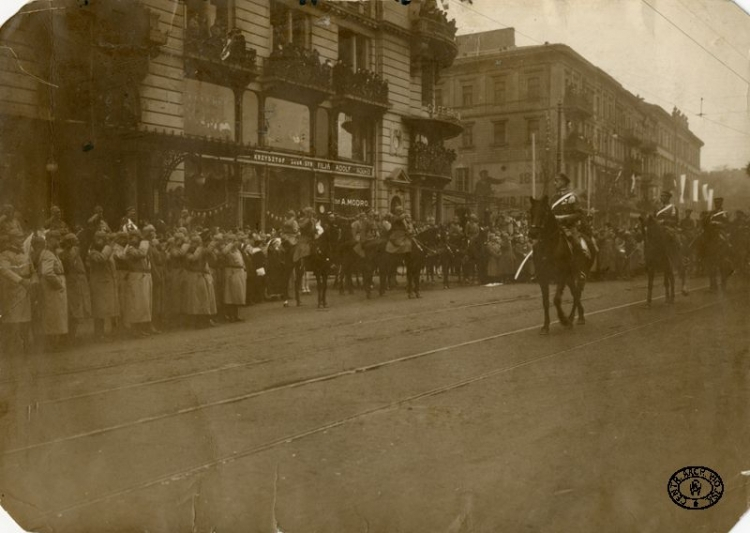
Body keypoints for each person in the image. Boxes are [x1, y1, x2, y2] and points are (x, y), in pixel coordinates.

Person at [550, 173, 593, 278]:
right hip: (555, 228)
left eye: (558, 181)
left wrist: (564, 219)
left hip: (568, 227)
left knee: (577, 244)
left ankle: (580, 270)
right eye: (555, 181)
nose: (555, 183)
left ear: (564, 182)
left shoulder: (572, 197)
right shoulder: (554, 197)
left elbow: (579, 214)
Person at [0, 229, 34, 354]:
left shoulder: (24, 253)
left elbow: (31, 268)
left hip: (25, 290)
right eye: (19, 238)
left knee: (25, 319)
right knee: (12, 320)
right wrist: (20, 281)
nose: (21, 240)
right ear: (12, 239)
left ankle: (26, 345)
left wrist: (32, 280)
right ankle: (10, 347)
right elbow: (4, 271)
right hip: (12, 291)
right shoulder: (5, 254)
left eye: (22, 238)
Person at [39, 230, 68, 351]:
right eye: (56, 239)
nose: (58, 241)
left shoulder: (52, 253)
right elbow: (47, 273)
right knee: (54, 315)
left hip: (56, 287)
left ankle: (56, 342)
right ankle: (53, 343)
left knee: (57, 315)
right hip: (53, 289)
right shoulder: (48, 254)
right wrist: (59, 285)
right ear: (49, 240)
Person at [87, 230, 119, 340]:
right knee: (99, 310)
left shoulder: (106, 251)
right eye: (98, 239)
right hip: (99, 285)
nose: (100, 241)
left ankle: (113, 332)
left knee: (111, 309)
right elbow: (101, 259)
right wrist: (108, 247)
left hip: (108, 283)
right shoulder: (93, 252)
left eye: (102, 239)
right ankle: (99, 334)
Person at [60, 233, 91, 344]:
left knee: (79, 309)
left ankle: (72, 336)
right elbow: (69, 261)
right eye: (73, 241)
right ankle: (69, 336)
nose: (76, 243)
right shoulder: (64, 253)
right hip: (72, 282)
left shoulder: (76, 251)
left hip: (80, 281)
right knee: (72, 309)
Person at [222, 233, 246, 322]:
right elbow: (224, 251)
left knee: (237, 295)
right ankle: (231, 315)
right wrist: (230, 243)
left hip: (239, 272)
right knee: (231, 295)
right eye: (235, 241)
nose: (237, 243)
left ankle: (236, 315)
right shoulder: (229, 250)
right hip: (232, 272)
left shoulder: (237, 251)